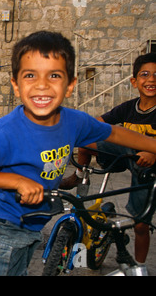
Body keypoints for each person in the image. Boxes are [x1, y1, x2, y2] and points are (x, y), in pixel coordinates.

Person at [0, 31, 156, 276]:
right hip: (2, 223)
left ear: (70, 85)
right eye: (30, 75)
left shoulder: (74, 121)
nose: (42, 85)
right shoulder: (6, 130)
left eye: (54, 76)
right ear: (16, 85)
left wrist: (151, 145)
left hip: (33, 221)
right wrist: (16, 181)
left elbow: (113, 133)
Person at [59, 52, 156, 266]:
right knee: (85, 138)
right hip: (125, 156)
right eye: (145, 74)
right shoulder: (129, 107)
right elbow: (98, 124)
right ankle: (78, 175)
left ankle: (139, 267)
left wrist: (153, 152)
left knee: (140, 224)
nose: (151, 80)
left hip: (149, 168)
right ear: (134, 81)